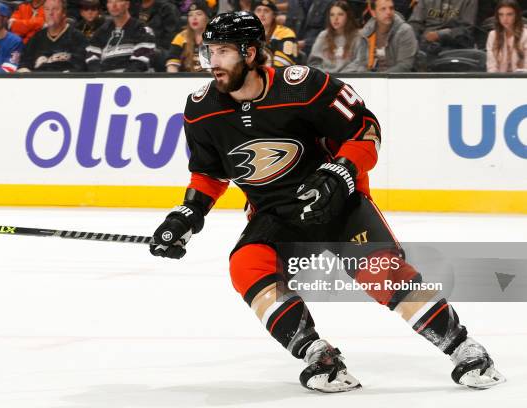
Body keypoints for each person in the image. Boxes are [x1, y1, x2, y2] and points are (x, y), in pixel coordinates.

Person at [149, 10, 506, 392]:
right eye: (209, 53)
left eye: (222, 52)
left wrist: (339, 173)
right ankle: (317, 353)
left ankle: (464, 348)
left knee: (380, 272)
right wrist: (186, 215)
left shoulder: (304, 87)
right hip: (276, 213)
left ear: (250, 53)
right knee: (247, 265)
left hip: (338, 202)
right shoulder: (202, 108)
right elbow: (210, 173)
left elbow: (366, 132)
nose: (213, 63)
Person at [18, 0, 88, 72]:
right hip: (38, 80)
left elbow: (79, 67)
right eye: (47, 9)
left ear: (64, 13)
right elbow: (23, 64)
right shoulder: (36, 38)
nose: (50, 13)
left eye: (55, 9)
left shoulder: (77, 38)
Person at [86, 0, 155, 72]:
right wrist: (101, 76)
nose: (114, 5)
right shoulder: (101, 31)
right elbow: (92, 58)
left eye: (118, 1)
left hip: (133, 79)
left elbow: (141, 60)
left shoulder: (142, 29)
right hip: (105, 79)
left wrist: (121, 78)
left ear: (127, 4)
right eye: (110, 2)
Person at [408, 0, 477, 64]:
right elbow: (415, 23)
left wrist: (440, 35)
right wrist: (415, 43)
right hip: (425, 45)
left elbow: (467, 29)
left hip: (454, 45)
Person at [307, 0, 367, 72]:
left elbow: (360, 64)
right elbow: (313, 63)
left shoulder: (358, 37)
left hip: (349, 78)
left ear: (348, 16)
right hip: (326, 79)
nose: (335, 19)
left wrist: (340, 76)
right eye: (332, 15)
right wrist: (325, 76)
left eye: (340, 14)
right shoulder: (323, 36)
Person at [362, 0, 417, 72]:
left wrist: (378, 78)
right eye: (383, 9)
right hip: (371, 78)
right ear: (373, 13)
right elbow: (359, 63)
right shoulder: (366, 33)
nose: (388, 12)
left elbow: (405, 65)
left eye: (391, 8)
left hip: (396, 79)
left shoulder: (405, 31)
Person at [166, 0, 210, 72]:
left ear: (206, 17)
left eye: (199, 14)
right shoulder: (181, 37)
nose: (194, 18)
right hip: (187, 79)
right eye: (190, 15)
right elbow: (172, 64)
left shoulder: (215, 36)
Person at [252, 0, 298, 66]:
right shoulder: (245, 32)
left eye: (266, 11)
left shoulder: (285, 33)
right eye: (258, 10)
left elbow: (285, 62)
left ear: (274, 15)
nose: (262, 14)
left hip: (274, 73)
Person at [486, 0, 527, 72]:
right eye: (501, 14)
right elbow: (491, 66)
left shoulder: (525, 35)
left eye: (509, 14)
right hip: (498, 80)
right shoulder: (493, 35)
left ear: (516, 15)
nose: (505, 18)